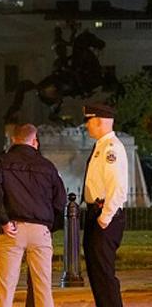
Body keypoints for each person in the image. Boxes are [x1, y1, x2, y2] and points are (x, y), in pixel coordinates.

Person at [0, 123, 67, 307]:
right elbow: (60, 200)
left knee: (6, 287)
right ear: (34, 141)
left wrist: (4, 221)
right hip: (40, 230)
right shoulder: (47, 166)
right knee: (43, 288)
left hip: (12, 230)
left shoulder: (2, 162)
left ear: (14, 139)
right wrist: (50, 226)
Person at [82, 103, 127, 307]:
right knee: (97, 273)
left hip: (104, 216)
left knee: (104, 274)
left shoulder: (111, 148)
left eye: (88, 121)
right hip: (96, 214)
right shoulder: (101, 145)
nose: (86, 126)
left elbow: (117, 187)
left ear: (98, 121)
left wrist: (104, 218)